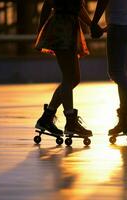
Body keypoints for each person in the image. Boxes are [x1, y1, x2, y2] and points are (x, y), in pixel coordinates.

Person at [34, 0, 94, 137]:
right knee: (70, 79)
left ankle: (47, 118)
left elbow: (78, 7)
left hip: (68, 28)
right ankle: (70, 122)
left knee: (73, 79)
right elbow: (49, 4)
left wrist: (91, 25)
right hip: (61, 29)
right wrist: (40, 30)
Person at [91, 0, 127, 135]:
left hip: (119, 25)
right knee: (121, 74)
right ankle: (124, 119)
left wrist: (94, 23)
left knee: (116, 73)